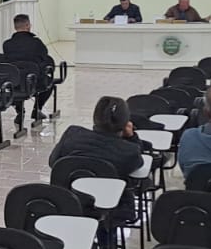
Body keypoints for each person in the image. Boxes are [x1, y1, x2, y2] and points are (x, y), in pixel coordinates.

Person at [48, 96, 144, 224]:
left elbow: (53, 162)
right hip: (108, 211)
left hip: (66, 205)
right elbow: (138, 164)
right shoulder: (129, 151)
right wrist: (132, 137)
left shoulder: (72, 134)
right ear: (125, 122)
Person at [2, 13, 56, 129]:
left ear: (15, 27)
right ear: (27, 25)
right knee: (50, 82)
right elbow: (45, 58)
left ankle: (19, 111)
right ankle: (37, 108)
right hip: (34, 81)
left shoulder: (7, 44)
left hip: (15, 81)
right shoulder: (36, 43)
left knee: (15, 87)